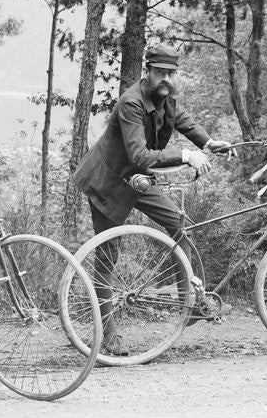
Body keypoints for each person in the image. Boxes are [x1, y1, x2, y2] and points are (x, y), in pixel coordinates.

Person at [73, 44, 233, 355]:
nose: (166, 79)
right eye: (160, 72)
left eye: (171, 73)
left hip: (138, 179)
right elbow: (139, 154)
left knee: (180, 225)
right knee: (107, 256)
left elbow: (182, 119)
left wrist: (209, 143)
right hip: (108, 182)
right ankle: (108, 334)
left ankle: (189, 303)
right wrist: (185, 155)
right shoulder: (131, 103)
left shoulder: (166, 96)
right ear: (147, 72)